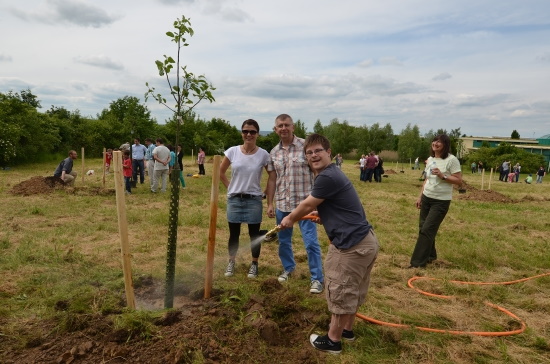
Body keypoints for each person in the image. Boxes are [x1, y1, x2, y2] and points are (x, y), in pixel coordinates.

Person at [279, 133, 379, 355]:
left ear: (329, 153)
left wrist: (290, 218)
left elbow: (307, 203)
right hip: (365, 242)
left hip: (351, 246)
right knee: (352, 289)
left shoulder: (327, 176)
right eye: (309, 152)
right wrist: (324, 214)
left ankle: (333, 341)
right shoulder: (330, 174)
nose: (314, 155)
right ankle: (347, 331)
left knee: (340, 289)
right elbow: (337, 205)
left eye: (318, 151)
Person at [266, 114, 324, 294]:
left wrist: (316, 202)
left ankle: (316, 279)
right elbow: (273, 179)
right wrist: (270, 203)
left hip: (304, 204)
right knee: (284, 242)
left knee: (310, 243)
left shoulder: (305, 147)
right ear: (275, 129)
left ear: (293, 127)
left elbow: (316, 172)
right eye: (280, 126)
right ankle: (288, 268)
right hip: (282, 204)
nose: (283, 128)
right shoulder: (274, 152)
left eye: (286, 125)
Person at [220, 119, 273, 278]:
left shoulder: (264, 154)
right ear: (241, 133)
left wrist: (267, 195)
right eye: (245, 131)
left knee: (254, 235)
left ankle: (254, 264)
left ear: (257, 134)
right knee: (233, 234)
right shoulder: (232, 151)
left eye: (252, 132)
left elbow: (272, 176)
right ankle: (231, 262)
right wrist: (231, 188)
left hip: (253, 201)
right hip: (235, 200)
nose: (248, 134)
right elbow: (221, 172)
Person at [409, 134, 462, 268]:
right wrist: (420, 196)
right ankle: (431, 256)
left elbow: (458, 181)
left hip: (440, 201)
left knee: (427, 229)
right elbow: (427, 180)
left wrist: (442, 175)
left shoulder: (452, 160)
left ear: (445, 145)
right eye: (434, 141)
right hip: (427, 197)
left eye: (439, 142)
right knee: (423, 228)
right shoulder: (430, 159)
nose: (435, 144)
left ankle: (417, 264)